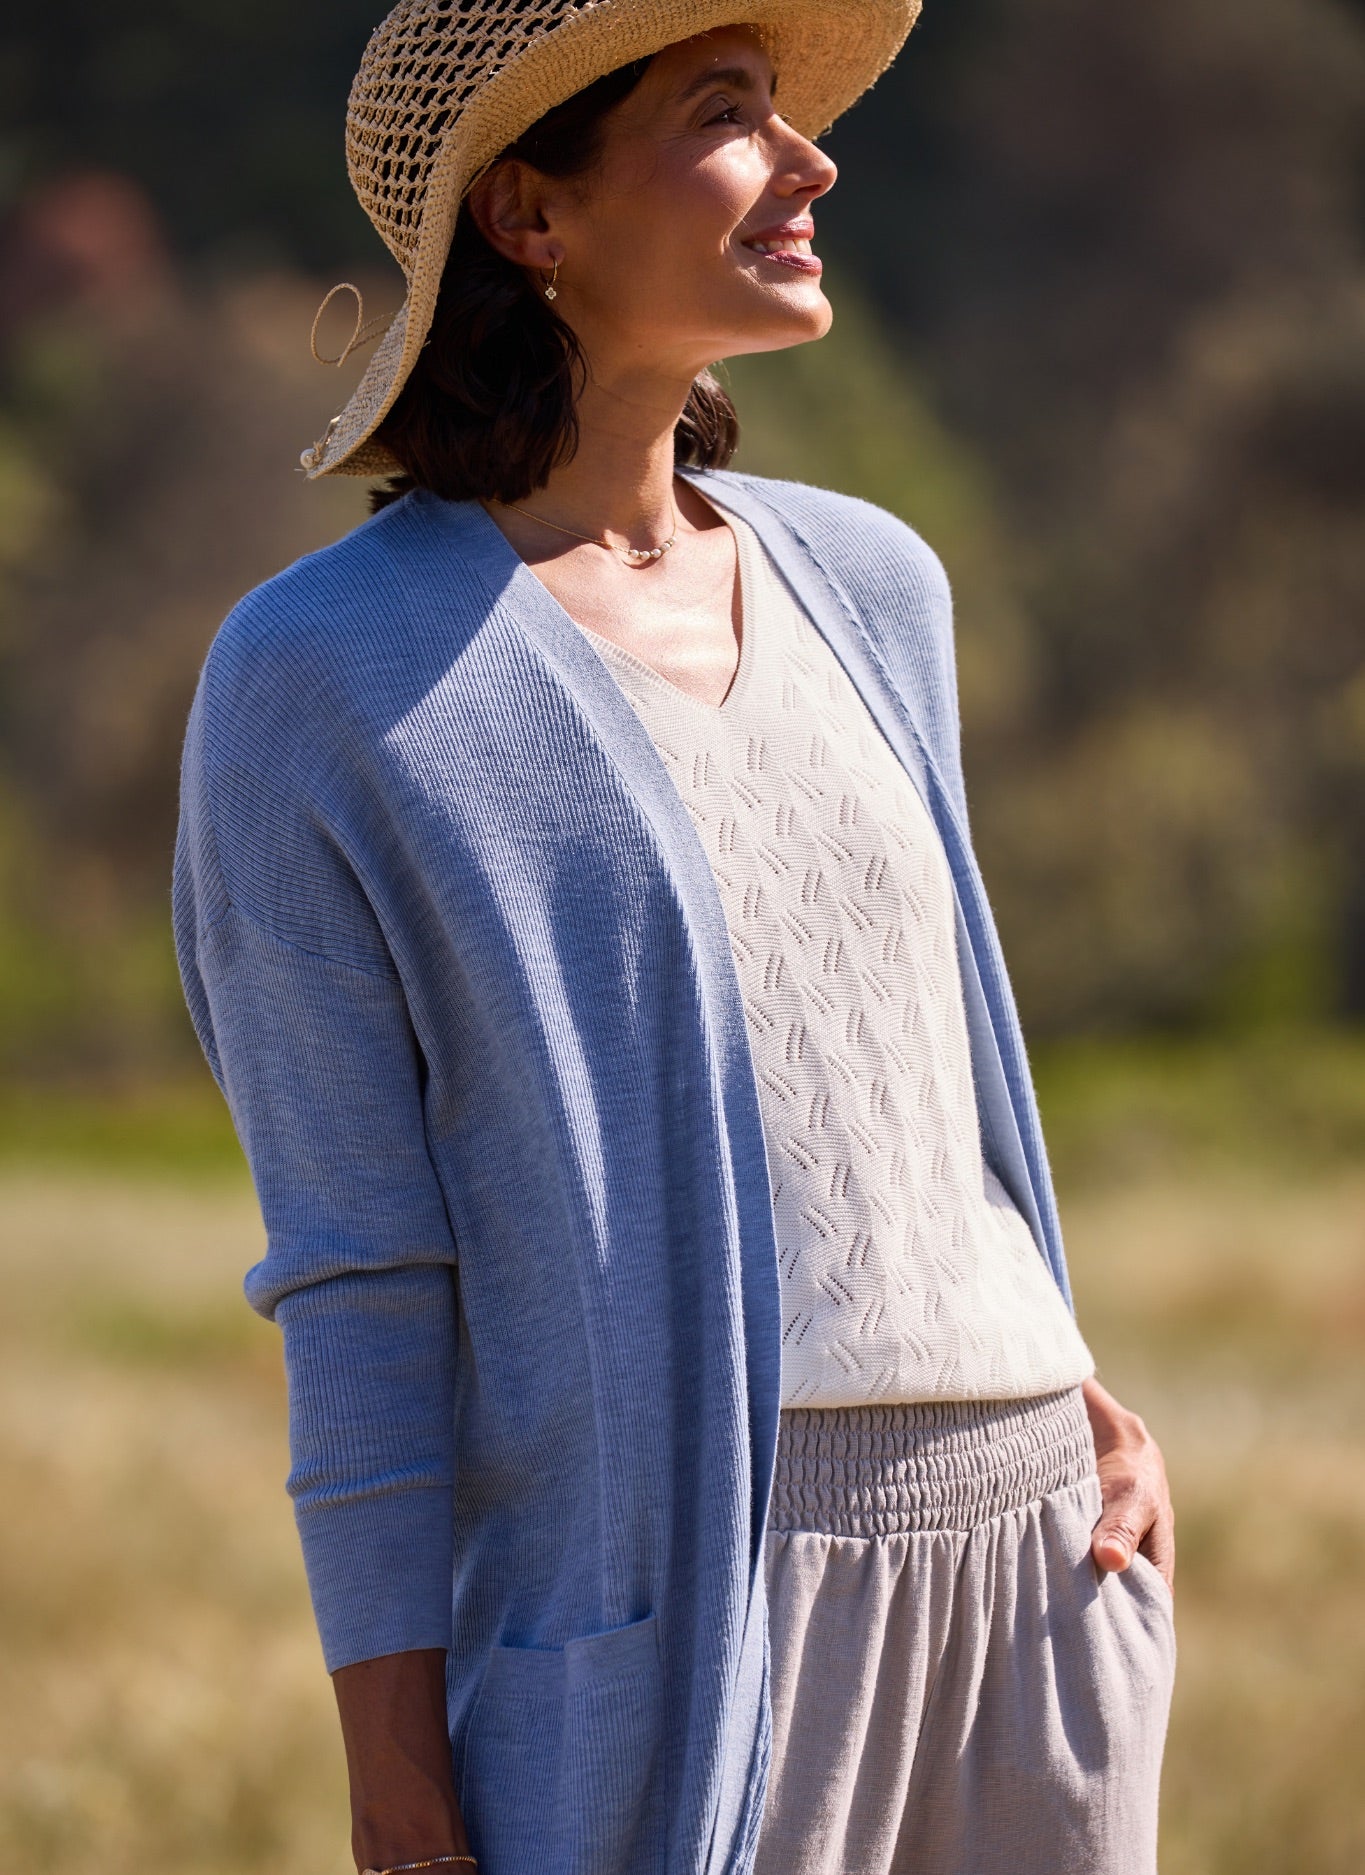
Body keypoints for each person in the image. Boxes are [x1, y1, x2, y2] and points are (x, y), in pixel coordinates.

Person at [173, 4, 1176, 1873]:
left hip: (1043, 1569)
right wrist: (396, 1784)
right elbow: (362, 1277)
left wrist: (1075, 1381)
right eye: (729, 117)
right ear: (528, 216)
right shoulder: (319, 679)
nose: (809, 163)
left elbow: (919, 1085)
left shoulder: (875, 584)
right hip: (692, 1622)